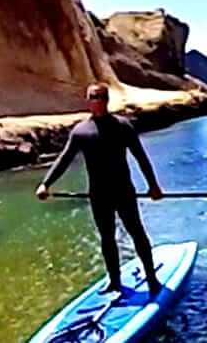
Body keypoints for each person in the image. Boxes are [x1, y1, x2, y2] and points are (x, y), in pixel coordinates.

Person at [36, 83, 164, 295]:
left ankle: (152, 279)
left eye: (99, 97)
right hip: (98, 195)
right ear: (88, 101)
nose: (95, 101)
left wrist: (153, 185)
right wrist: (46, 184)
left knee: (137, 233)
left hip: (123, 191)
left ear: (106, 100)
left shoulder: (123, 127)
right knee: (107, 238)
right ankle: (114, 281)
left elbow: (140, 157)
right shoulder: (81, 131)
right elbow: (64, 159)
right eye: (92, 98)